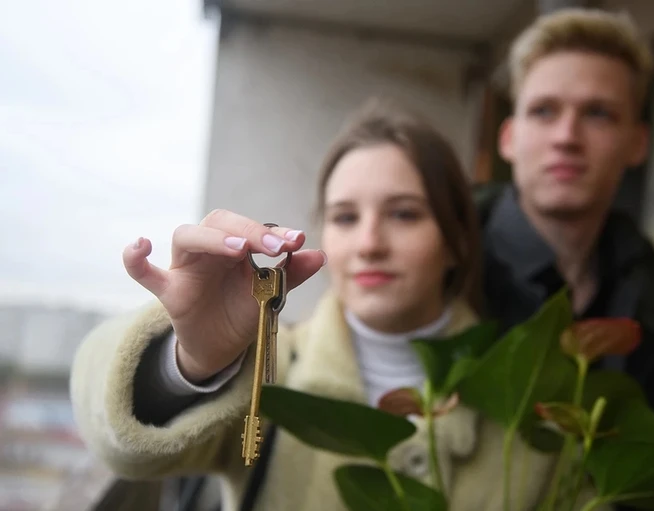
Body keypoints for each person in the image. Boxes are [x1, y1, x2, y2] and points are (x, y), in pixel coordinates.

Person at [69, 100, 595, 511]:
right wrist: (189, 362)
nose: (369, 243)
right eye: (345, 217)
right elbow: (120, 447)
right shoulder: (268, 373)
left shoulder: (533, 400)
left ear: (457, 240)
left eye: (404, 214)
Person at [479, 8, 654, 447]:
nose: (566, 136)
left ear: (637, 143)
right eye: (543, 111)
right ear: (508, 138)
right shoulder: (445, 259)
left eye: (598, 113)